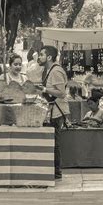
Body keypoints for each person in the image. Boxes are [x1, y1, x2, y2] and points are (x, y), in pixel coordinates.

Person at [38, 45, 70, 180]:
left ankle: (56, 172)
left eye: (41, 55)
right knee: (52, 142)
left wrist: (45, 90)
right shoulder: (50, 70)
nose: (39, 57)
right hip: (53, 111)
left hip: (57, 112)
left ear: (49, 57)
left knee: (54, 142)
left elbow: (61, 93)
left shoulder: (56, 71)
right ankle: (54, 171)